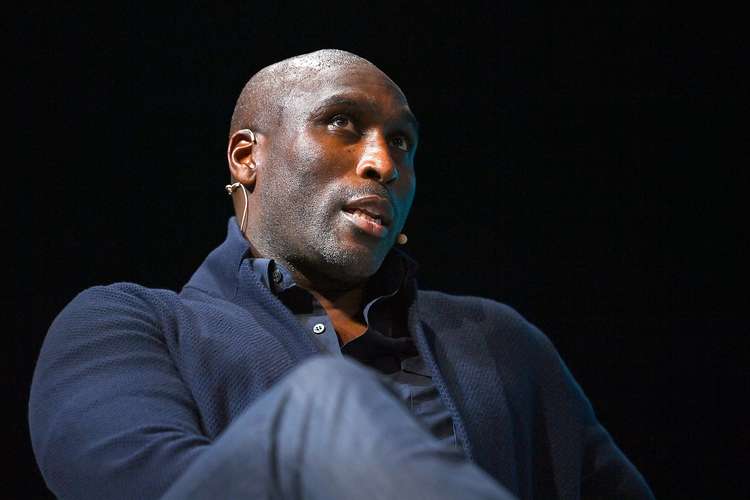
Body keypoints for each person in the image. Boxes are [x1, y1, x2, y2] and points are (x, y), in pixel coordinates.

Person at [29, 49, 654, 499]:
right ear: (248, 158)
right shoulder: (131, 324)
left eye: (402, 143)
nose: (382, 161)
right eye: (342, 125)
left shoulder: (500, 340)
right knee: (330, 400)